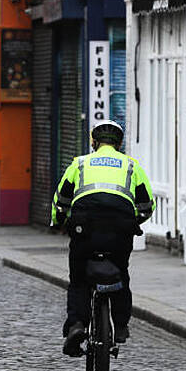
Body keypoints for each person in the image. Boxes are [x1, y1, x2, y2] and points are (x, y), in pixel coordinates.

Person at [52, 119, 155, 357]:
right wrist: (134, 222)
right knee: (121, 272)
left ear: (94, 142)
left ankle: (77, 324)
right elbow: (147, 205)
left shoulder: (79, 164)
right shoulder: (131, 166)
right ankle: (120, 326)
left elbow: (61, 200)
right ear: (119, 144)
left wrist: (59, 222)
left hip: (84, 228)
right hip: (120, 229)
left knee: (78, 280)